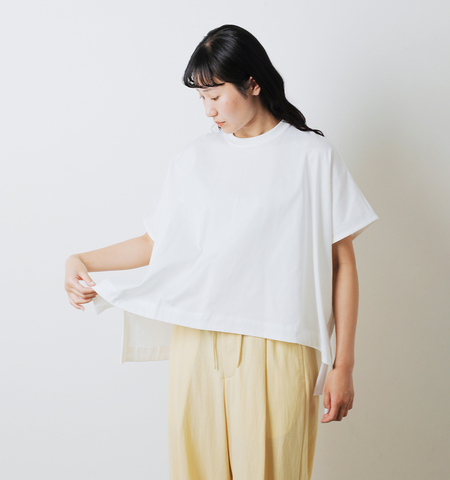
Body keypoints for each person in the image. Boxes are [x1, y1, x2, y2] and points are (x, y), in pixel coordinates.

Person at [64, 24, 378, 480]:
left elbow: (342, 263)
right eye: (201, 98)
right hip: (197, 340)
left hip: (279, 342)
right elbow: (156, 243)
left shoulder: (311, 156)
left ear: (253, 83)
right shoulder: (193, 159)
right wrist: (82, 259)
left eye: (215, 95)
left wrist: (343, 365)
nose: (208, 110)